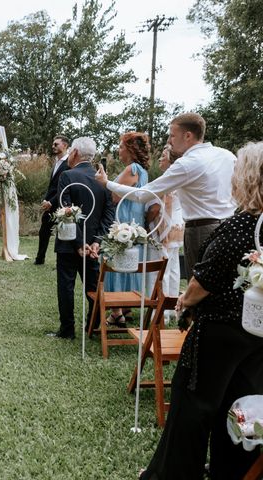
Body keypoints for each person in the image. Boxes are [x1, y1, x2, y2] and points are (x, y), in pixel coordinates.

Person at [140, 141, 263, 480]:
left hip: (220, 332)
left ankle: (175, 474)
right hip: (256, 334)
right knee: (240, 406)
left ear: (249, 179)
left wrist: (185, 300)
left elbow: (204, 280)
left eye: (238, 172)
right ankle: (229, 471)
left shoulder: (239, 226)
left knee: (193, 406)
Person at [95, 112, 235, 281]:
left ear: (188, 136)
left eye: (173, 135)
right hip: (229, 227)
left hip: (201, 231)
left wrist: (107, 183)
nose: (169, 141)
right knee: (223, 282)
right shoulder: (227, 155)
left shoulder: (187, 163)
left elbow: (142, 194)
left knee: (199, 283)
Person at [48, 137, 115, 339]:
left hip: (70, 244)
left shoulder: (67, 176)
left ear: (75, 153)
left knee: (66, 286)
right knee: (93, 287)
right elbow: (108, 214)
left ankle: (67, 330)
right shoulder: (102, 179)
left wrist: (79, 243)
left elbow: (64, 210)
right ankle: (93, 328)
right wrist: (96, 241)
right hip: (94, 247)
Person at [104, 132, 150, 327]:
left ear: (130, 149)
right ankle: (126, 308)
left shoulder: (132, 168)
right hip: (135, 221)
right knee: (129, 261)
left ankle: (116, 312)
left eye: (121, 146)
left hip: (124, 220)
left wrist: (105, 181)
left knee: (115, 262)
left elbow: (116, 197)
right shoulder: (143, 170)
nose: (118, 149)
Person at [145, 146, 185, 323]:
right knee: (174, 269)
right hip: (178, 229)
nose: (160, 159)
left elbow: (155, 207)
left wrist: (147, 222)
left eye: (163, 156)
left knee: (159, 270)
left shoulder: (167, 180)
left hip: (163, 230)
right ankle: (172, 310)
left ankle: (158, 313)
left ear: (172, 160)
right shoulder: (181, 179)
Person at [35, 135, 70, 265]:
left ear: (65, 145)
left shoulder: (68, 163)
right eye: (53, 144)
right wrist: (46, 200)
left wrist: (52, 202)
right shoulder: (57, 162)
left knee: (63, 232)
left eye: (56, 144)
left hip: (61, 203)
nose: (53, 146)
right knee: (44, 230)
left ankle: (61, 261)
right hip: (50, 203)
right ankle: (40, 259)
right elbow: (52, 186)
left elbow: (65, 187)